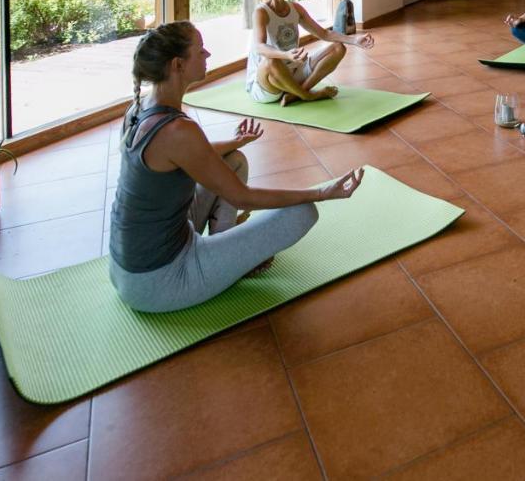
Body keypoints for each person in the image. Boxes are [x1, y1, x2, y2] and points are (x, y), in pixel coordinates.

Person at [109, 21, 365, 313]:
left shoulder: (140, 108)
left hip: (130, 267)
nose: (207, 54)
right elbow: (242, 197)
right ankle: (231, 258)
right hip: (160, 282)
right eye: (200, 50)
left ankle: (225, 244)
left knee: (232, 161)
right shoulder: (177, 131)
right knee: (302, 212)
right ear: (178, 65)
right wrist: (321, 193)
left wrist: (234, 142)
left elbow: (189, 155)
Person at [247, 0, 374, 105]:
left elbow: (324, 33)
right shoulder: (261, 12)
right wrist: (286, 55)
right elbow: (259, 47)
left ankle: (297, 93)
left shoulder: (295, 8)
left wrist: (354, 40)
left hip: (292, 72)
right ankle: (308, 96)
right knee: (270, 60)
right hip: (267, 84)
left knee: (338, 48)